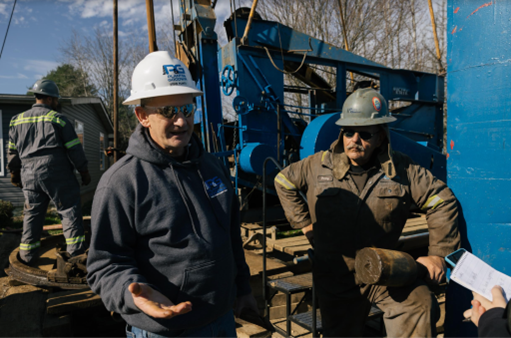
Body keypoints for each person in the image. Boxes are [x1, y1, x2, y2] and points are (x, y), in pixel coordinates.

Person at [86, 51, 258, 338]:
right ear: (142, 116)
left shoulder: (213, 166)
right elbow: (105, 263)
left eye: (187, 109)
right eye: (168, 111)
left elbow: (230, 236)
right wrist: (134, 296)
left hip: (222, 320)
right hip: (165, 331)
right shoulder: (122, 183)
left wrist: (243, 290)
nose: (181, 121)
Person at [274, 88, 461, 338]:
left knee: (419, 304)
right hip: (336, 274)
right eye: (348, 132)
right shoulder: (317, 165)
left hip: (384, 269)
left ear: (381, 137)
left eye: (364, 134)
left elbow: (441, 200)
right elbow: (283, 181)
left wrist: (438, 255)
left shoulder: (403, 170)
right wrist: (305, 225)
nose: (354, 140)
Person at [7, 79, 90, 265]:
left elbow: (12, 151)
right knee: (69, 211)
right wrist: (84, 170)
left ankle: (27, 258)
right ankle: (75, 259)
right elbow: (74, 149)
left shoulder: (16, 120)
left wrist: (14, 172)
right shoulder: (58, 119)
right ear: (51, 99)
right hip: (56, 171)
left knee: (32, 215)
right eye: (56, 100)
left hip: (28, 174)